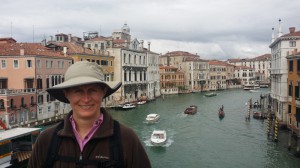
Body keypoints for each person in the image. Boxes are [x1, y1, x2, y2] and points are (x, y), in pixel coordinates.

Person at [28, 61, 151, 168]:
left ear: (103, 92)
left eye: (92, 90)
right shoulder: (46, 140)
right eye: (78, 91)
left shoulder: (127, 139)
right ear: (67, 94)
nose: (86, 99)